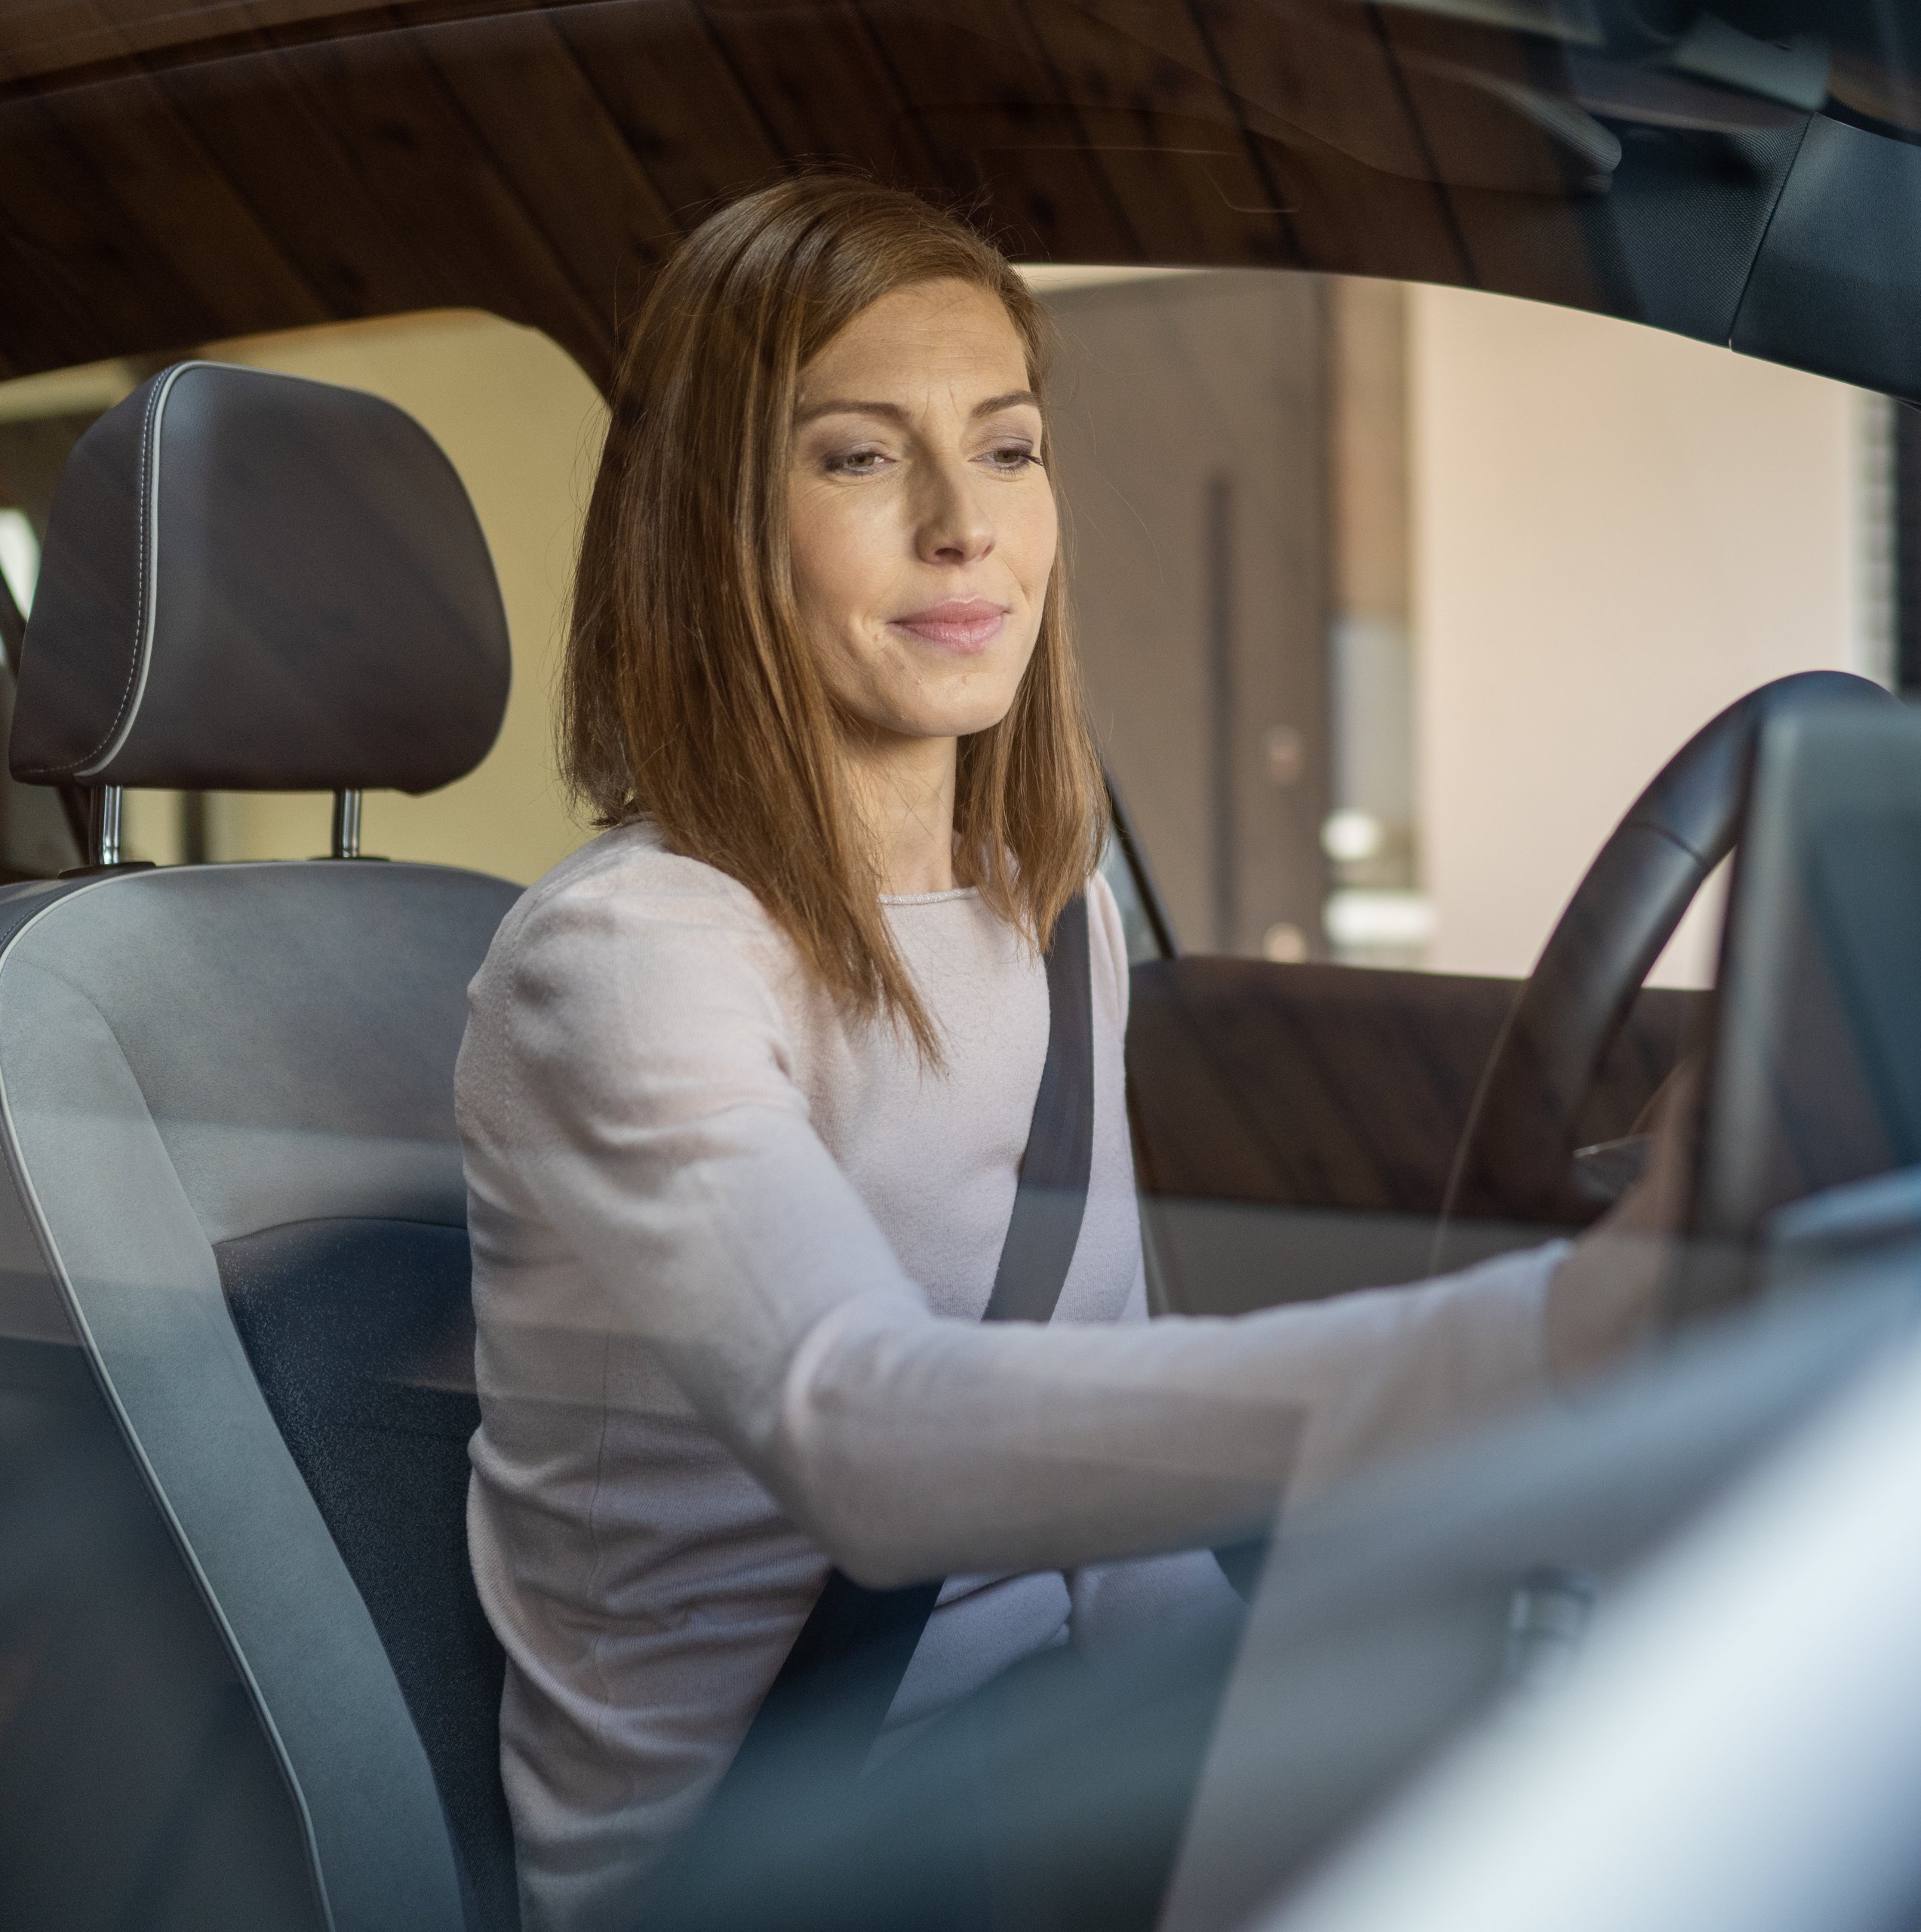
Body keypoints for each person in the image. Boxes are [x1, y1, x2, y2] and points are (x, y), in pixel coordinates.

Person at [459, 173, 1678, 1932]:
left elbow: (1100, 1482)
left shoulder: (1054, 910)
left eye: (1010, 446)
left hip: (1033, 1769)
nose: (968, 524)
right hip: (780, 1850)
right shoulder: (625, 958)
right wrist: (1539, 1346)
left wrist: (1275, 1753)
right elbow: (866, 1442)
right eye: (861, 456)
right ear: (718, 524)